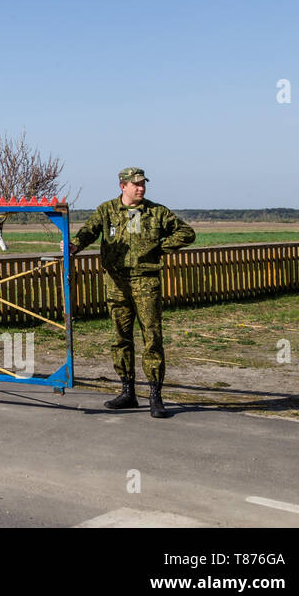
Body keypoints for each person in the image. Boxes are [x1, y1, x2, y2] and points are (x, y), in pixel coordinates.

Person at [69, 168, 195, 418]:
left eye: (143, 184)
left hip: (146, 282)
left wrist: (159, 248)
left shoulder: (157, 212)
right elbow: (89, 231)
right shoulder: (107, 210)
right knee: (120, 337)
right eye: (135, 184)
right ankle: (127, 391)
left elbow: (187, 232)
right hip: (116, 282)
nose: (141, 188)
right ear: (122, 186)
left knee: (152, 338)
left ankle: (155, 395)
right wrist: (74, 245)